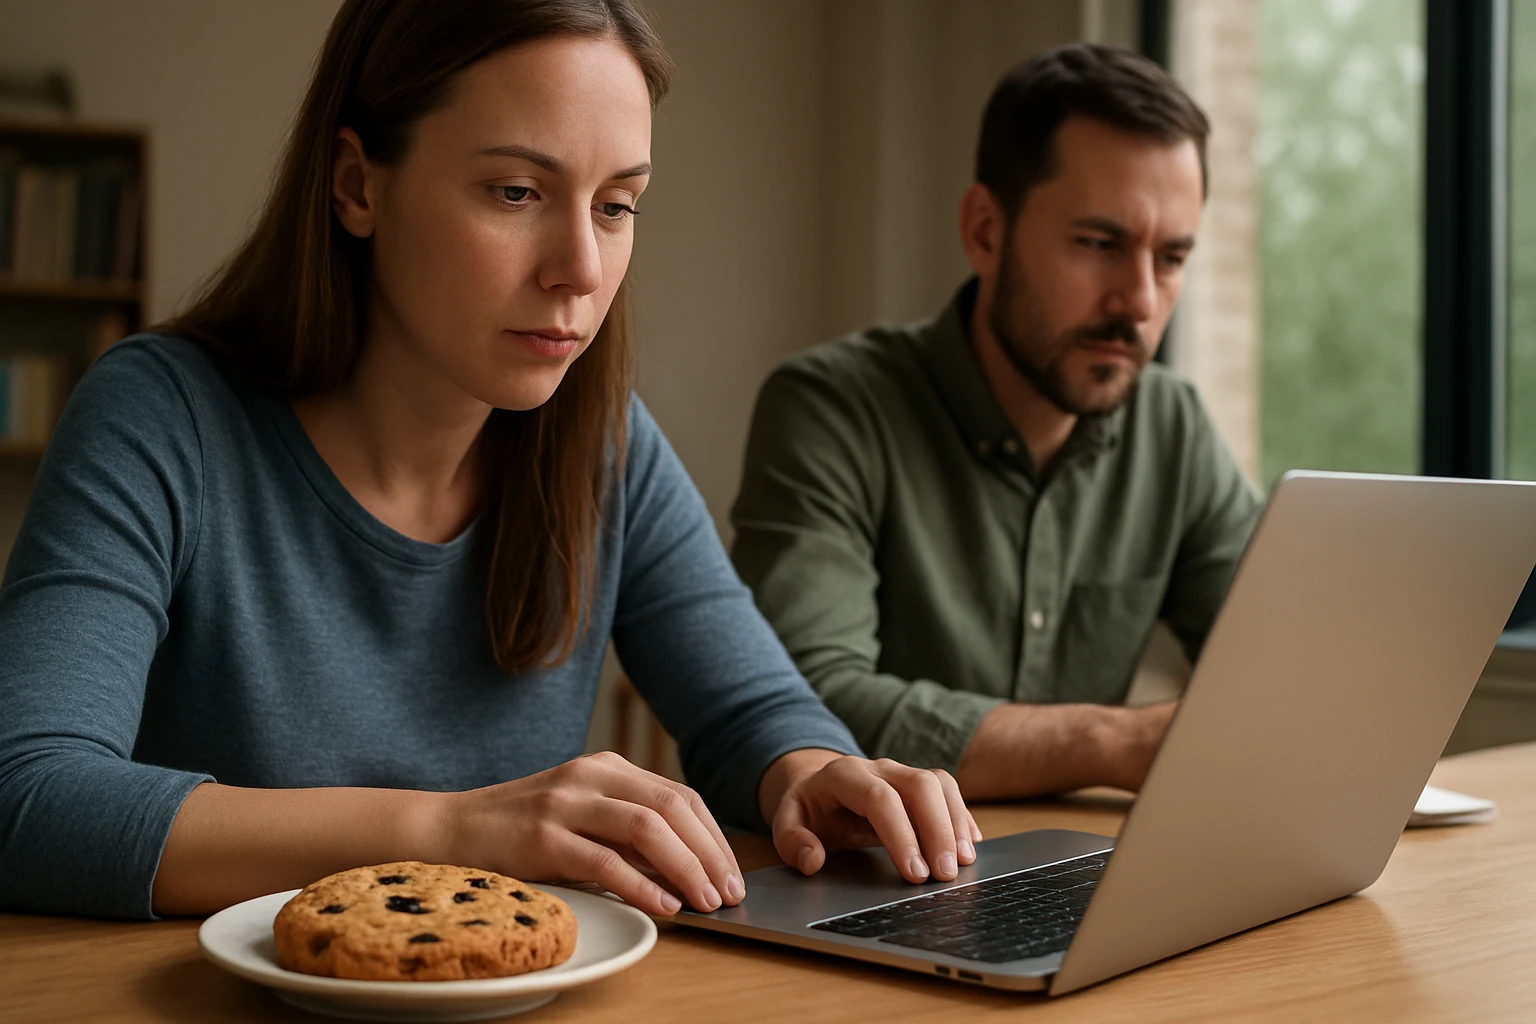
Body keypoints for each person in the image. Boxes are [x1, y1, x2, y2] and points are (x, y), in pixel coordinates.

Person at [0, 0, 980, 922]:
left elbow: (749, 709)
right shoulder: (161, 417)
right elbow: (27, 794)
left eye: (617, 205)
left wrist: (811, 774)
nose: (580, 269)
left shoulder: (604, 442)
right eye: (516, 191)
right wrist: (449, 831)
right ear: (357, 185)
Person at [730, 44, 1263, 802]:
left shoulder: (1172, 429)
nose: (1141, 301)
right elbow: (805, 707)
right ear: (985, 230)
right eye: (1100, 244)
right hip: (877, 866)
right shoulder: (832, 410)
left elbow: (1278, 671)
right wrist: (1112, 742)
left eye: (1171, 258)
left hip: (1084, 857)